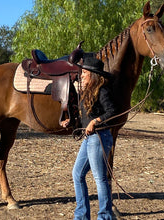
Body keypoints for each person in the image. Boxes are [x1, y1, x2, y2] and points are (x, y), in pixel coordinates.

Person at [63, 57, 116, 220]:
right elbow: (86, 116)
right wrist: (71, 122)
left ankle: (105, 215)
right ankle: (81, 215)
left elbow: (111, 112)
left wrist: (95, 121)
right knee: (77, 174)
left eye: (84, 73)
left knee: (99, 178)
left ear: (93, 75)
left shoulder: (102, 90)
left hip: (100, 137)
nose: (82, 76)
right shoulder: (87, 91)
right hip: (89, 139)